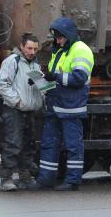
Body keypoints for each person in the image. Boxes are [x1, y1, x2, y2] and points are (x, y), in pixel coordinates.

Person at [35, 17, 94, 191]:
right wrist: (42, 81)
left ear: (68, 35)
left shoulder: (81, 50)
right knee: (49, 143)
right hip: (56, 105)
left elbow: (79, 78)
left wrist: (55, 77)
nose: (58, 40)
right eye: (56, 37)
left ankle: (73, 181)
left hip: (71, 107)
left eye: (60, 37)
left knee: (73, 145)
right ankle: (45, 180)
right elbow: (58, 79)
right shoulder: (61, 50)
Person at [0, 33, 44, 191]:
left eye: (35, 49)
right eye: (29, 48)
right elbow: (2, 84)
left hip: (29, 110)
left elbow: (42, 87)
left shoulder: (35, 65)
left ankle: (25, 177)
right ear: (22, 46)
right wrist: (16, 101)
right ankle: (6, 179)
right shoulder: (12, 61)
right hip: (14, 110)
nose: (32, 52)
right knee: (13, 143)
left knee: (28, 144)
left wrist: (48, 84)